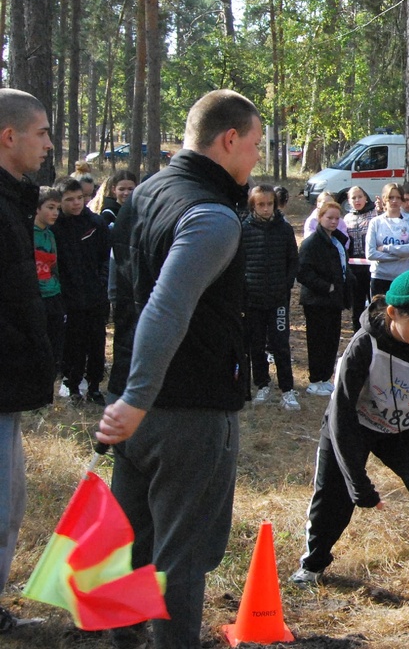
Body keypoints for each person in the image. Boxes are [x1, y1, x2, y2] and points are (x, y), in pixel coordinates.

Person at [96, 89, 261, 649]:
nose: (257, 159)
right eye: (255, 146)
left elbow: (123, 295)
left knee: (132, 547)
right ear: (229, 140)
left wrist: (126, 393)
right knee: (181, 560)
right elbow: (166, 306)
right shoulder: (212, 216)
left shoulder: (146, 193)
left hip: (137, 406)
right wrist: (138, 395)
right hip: (185, 409)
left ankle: (124, 639)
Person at [290, 271, 409, 620]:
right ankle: (312, 565)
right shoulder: (363, 345)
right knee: (334, 498)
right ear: (392, 315)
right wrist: (357, 481)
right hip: (352, 425)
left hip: (398, 429)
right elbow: (340, 413)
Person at [0, 90, 55, 633]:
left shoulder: (15, 203)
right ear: (7, 136)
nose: (48, 143)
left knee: (10, 509)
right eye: (40, 132)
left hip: (9, 389)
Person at [53, 176, 111, 405]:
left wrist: (101, 283)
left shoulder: (95, 224)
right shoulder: (56, 227)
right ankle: (72, 384)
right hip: (69, 297)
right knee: (73, 344)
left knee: (96, 343)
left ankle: (95, 386)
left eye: (80, 198)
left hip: (95, 296)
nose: (76, 203)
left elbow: (105, 257)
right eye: (70, 199)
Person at [241, 184, 300, 410]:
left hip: (278, 300)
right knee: (256, 345)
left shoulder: (283, 229)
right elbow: (240, 263)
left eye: (269, 204)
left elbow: (292, 260)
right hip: (253, 299)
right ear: (253, 206)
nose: (266, 209)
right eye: (261, 205)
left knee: (280, 344)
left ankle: (287, 389)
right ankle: (262, 384)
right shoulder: (244, 229)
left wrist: (285, 285)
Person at [299, 199, 349, 398]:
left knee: (331, 339)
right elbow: (302, 272)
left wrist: (347, 283)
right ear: (320, 218)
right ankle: (315, 379)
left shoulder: (338, 241)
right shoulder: (311, 243)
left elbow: (343, 266)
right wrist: (326, 286)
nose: (334, 222)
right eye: (329, 218)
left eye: (337, 218)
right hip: (316, 300)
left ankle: (325, 377)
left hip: (334, 300)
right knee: (317, 340)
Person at [34, 187, 66, 379]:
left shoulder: (51, 235)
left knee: (54, 347)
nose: (55, 213)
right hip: (36, 297)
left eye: (58, 208)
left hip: (53, 295)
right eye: (51, 207)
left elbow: (54, 267)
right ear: (37, 208)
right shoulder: (27, 233)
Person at [365, 182, 409, 296]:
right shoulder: (375, 222)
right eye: (391, 197)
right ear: (384, 199)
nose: (394, 201)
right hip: (380, 277)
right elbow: (370, 253)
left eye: (398, 197)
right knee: (380, 313)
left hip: (404, 277)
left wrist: (386, 248)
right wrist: (401, 255)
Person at [343, 186, 375, 331]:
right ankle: (357, 332)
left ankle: (375, 331)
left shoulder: (375, 214)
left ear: (366, 198)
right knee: (357, 303)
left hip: (372, 264)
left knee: (375, 302)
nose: (357, 200)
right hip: (354, 266)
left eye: (360, 196)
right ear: (349, 201)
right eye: (353, 198)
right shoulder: (347, 218)